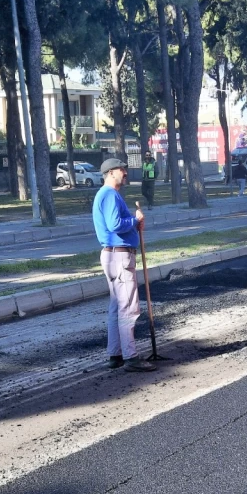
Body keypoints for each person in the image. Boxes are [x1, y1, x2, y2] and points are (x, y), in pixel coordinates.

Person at [92, 159, 156, 373]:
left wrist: (134, 222)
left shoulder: (105, 194)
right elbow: (115, 224)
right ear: (110, 172)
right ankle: (131, 356)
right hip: (119, 256)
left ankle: (115, 354)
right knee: (128, 306)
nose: (126, 172)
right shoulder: (110, 194)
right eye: (122, 169)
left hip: (111, 256)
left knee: (115, 307)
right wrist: (135, 221)